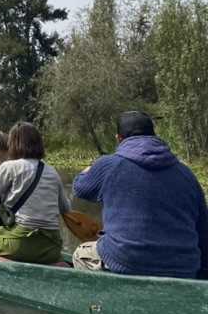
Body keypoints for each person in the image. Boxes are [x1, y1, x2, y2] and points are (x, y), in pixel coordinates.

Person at [72, 111, 208, 279]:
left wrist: (90, 169)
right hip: (183, 267)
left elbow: (80, 188)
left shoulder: (109, 165)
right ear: (154, 136)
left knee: (81, 254)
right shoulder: (186, 173)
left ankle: (100, 304)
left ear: (119, 138)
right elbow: (203, 230)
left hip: (126, 261)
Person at [0, 122, 70, 264]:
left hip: (21, 243)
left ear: (12, 144)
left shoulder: (10, 167)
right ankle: (53, 264)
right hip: (52, 247)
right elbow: (65, 209)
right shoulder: (52, 171)